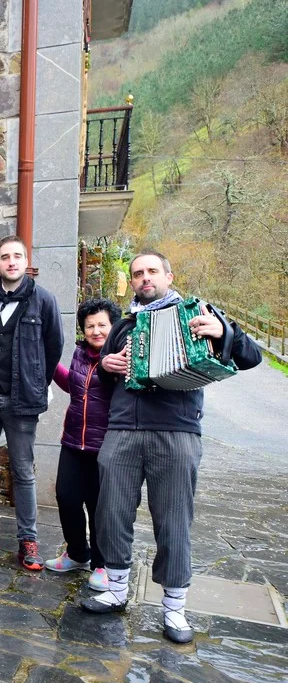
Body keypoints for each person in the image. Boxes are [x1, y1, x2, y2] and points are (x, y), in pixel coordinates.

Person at [81, 252, 260, 644]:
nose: (145, 278)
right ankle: (116, 589)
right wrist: (107, 366)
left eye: (152, 271)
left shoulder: (199, 315)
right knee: (110, 513)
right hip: (122, 431)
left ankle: (174, 608)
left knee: (174, 520)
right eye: (137, 274)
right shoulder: (123, 326)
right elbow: (103, 375)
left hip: (176, 433)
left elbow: (250, 357)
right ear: (132, 282)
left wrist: (224, 332)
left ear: (168, 276)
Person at [0, 235, 64, 571]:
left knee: (22, 471)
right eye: (5, 256)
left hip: (22, 400)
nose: (11, 261)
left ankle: (28, 540)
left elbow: (54, 347)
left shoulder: (43, 300)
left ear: (25, 261)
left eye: (17, 256)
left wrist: (34, 383)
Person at [44, 298, 121, 591]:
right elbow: (74, 386)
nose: (96, 331)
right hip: (74, 440)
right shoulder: (79, 353)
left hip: (106, 445)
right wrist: (51, 364)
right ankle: (77, 553)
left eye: (102, 325)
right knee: (66, 497)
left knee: (100, 506)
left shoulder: (121, 357)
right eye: (90, 326)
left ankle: (102, 563)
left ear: (113, 327)